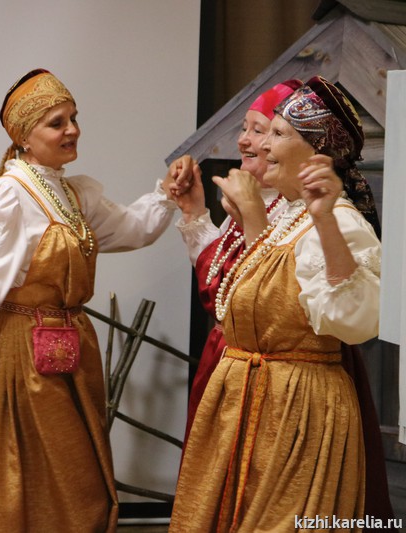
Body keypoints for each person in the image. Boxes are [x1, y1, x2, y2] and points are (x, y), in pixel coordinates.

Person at [0, 68, 186, 532]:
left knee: (74, 483)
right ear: (24, 138)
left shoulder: (73, 192)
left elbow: (133, 229)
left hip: (74, 352)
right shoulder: (9, 196)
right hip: (24, 359)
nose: (72, 130)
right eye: (57, 122)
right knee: (36, 480)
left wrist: (167, 194)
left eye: (73, 118)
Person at [170, 76, 382, 531]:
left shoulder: (338, 221)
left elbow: (356, 320)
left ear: (318, 153)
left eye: (278, 133)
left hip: (296, 412)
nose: (263, 145)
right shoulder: (287, 215)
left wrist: (325, 220)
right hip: (251, 403)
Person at [169, 81, 300, 441]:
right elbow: (221, 279)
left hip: (265, 371)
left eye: (259, 130)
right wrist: (194, 210)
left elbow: (271, 295)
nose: (243, 140)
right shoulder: (255, 199)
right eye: (244, 128)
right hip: (226, 356)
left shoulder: (292, 211)